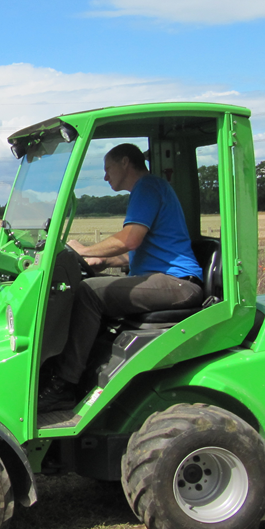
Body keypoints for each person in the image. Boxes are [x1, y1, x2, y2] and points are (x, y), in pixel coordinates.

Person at [38, 143, 204, 412]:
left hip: (178, 282)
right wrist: (100, 260)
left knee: (89, 292)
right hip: (163, 278)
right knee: (89, 287)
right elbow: (135, 254)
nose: (105, 177)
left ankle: (63, 385)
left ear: (125, 162)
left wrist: (84, 250)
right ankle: (76, 377)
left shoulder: (147, 187)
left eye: (108, 168)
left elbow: (130, 240)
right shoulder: (150, 189)